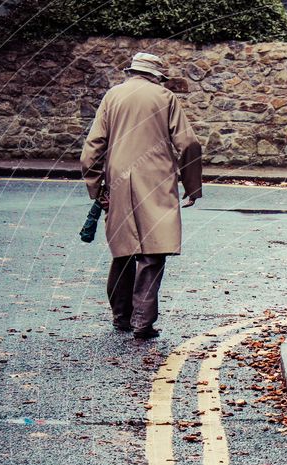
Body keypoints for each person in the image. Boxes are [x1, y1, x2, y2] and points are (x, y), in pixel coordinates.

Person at [80, 52, 202, 339]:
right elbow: (189, 143)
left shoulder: (113, 96)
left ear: (132, 72)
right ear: (156, 76)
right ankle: (142, 323)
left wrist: (97, 187)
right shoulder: (165, 98)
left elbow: (92, 149)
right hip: (156, 180)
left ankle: (121, 317)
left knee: (124, 250)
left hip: (119, 180)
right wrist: (192, 185)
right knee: (153, 253)